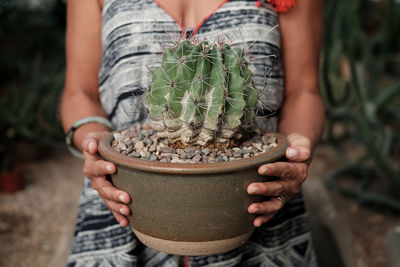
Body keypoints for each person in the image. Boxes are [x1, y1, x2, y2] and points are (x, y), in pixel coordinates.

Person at [61, 0, 325, 266]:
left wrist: (298, 148)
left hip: (258, 197)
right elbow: (79, 92)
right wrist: (93, 140)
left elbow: (304, 91)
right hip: (120, 199)